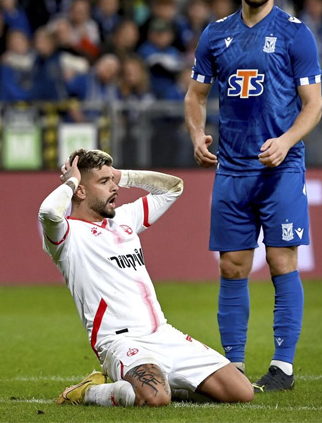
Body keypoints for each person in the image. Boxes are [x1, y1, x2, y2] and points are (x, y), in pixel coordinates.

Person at [184, 0, 322, 392]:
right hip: (232, 169)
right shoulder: (216, 35)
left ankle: (282, 367)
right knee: (232, 267)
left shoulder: (296, 34)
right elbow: (195, 96)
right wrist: (196, 134)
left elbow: (313, 106)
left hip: (280, 168)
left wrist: (285, 142)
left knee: (282, 261)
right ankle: (235, 366)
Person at [38, 149, 253, 407]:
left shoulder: (124, 219)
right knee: (154, 398)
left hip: (163, 333)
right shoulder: (68, 236)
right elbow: (48, 212)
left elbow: (173, 188)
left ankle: (167, 383)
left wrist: (124, 176)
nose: (114, 187)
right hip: (120, 341)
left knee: (242, 391)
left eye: (112, 180)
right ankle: (87, 392)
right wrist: (71, 181)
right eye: (104, 182)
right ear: (81, 191)